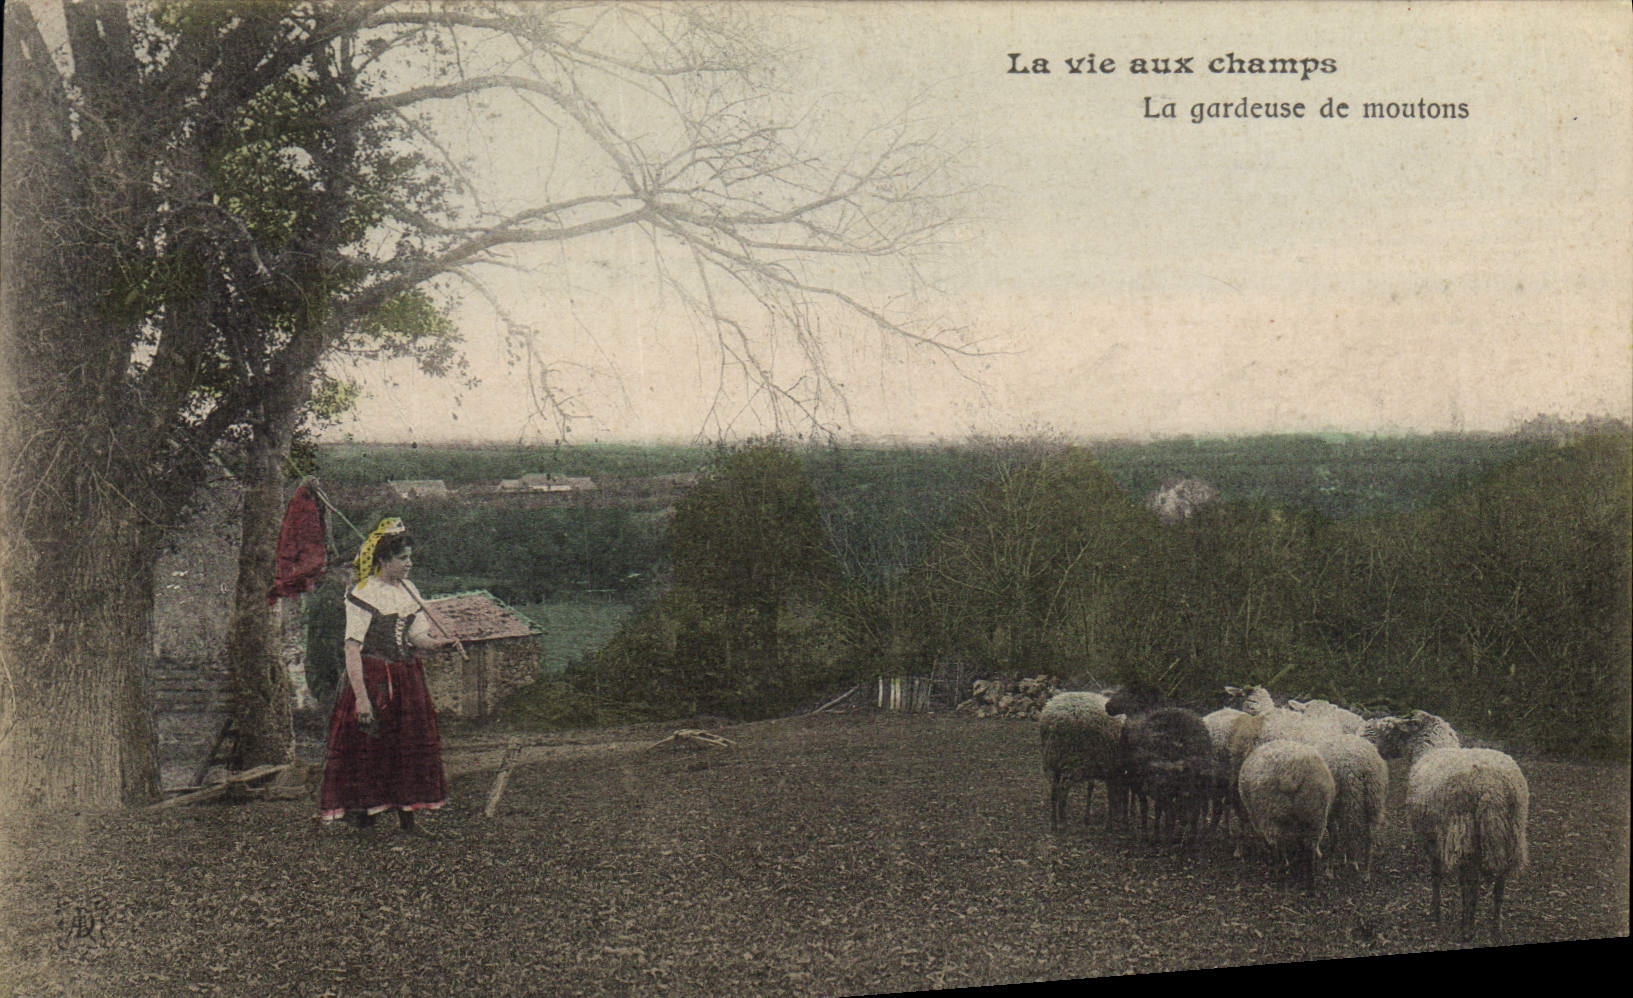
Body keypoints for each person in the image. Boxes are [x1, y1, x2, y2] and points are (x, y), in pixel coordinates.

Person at [319, 517, 454, 832]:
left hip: (407, 677)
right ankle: (366, 819)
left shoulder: (410, 591)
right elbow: (352, 649)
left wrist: (440, 644)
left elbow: (416, 638)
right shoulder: (365, 592)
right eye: (402, 558)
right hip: (374, 678)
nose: (410, 563)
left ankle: (408, 818)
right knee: (372, 749)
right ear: (383, 560)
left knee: (407, 746)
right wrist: (362, 700)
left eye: (410, 557)